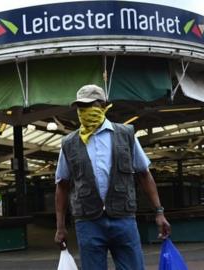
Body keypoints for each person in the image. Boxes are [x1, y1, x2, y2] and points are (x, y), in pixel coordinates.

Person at [54, 84, 171, 270]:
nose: (85, 111)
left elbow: (144, 174)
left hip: (123, 219)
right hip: (88, 222)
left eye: (91, 105)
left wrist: (159, 212)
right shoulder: (69, 144)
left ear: (103, 106)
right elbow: (62, 185)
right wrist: (60, 227)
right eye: (81, 107)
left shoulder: (125, 135)